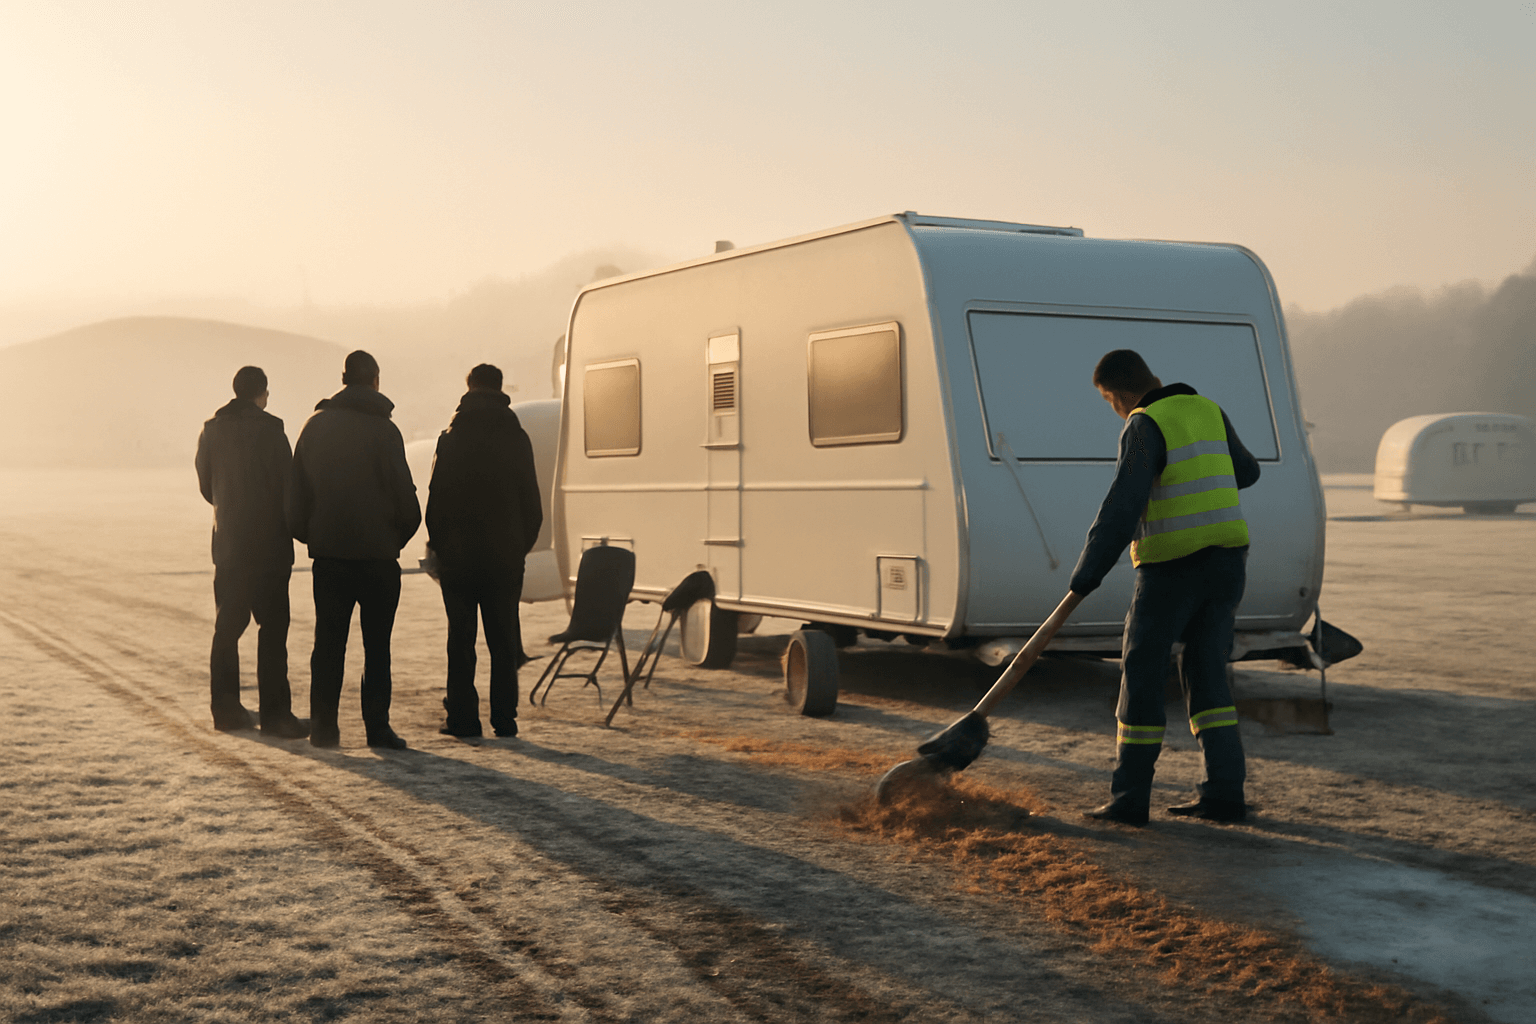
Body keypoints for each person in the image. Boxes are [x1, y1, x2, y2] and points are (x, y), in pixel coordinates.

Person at [1070, 349, 1260, 825]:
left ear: (1119, 394)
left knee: (1142, 675)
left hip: (1172, 568)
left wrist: (1086, 574)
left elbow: (1123, 504)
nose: (1114, 408)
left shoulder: (1144, 422)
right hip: (1228, 563)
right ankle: (1224, 793)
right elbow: (1248, 471)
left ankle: (1129, 798)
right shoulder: (1207, 410)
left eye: (1109, 400)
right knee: (1207, 673)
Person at [287, 350, 421, 749]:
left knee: (328, 644)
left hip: (330, 558)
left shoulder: (315, 426)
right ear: (375, 381)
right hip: (379, 560)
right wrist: (392, 540)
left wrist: (314, 538)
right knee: (377, 648)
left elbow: (295, 498)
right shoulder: (386, 431)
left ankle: (325, 728)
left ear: (343, 379)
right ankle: (377, 728)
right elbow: (407, 502)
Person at [425, 364, 543, 738]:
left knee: (460, 640)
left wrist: (442, 548)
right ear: (501, 388)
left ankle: (463, 718)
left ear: (469, 388)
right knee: (503, 639)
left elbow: (435, 506)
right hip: (504, 559)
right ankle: (504, 718)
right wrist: (516, 549)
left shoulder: (451, 438)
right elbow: (533, 508)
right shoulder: (517, 438)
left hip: (458, 560)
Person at [194, 366, 310, 738]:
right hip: (269, 547)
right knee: (272, 630)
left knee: (227, 629)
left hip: (228, 545)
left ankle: (225, 711)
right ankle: (276, 715)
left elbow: (207, 486)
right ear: (263, 394)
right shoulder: (272, 431)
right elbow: (288, 490)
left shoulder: (211, 430)